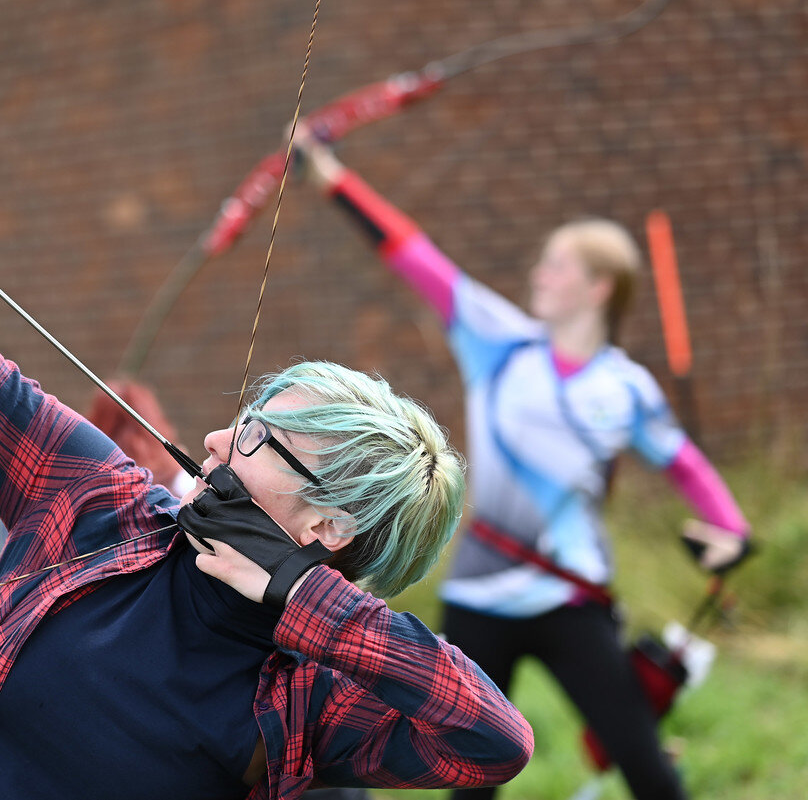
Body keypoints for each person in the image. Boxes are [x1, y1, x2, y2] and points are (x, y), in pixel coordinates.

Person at [0, 29, 534, 800]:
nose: (223, 438)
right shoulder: (95, 501)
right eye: (244, 414)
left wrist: (303, 598)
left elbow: (493, 740)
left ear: (325, 522)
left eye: (265, 439)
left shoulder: (304, 696)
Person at [290, 124, 751, 800]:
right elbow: (415, 255)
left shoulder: (625, 386)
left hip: (572, 598)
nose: (540, 272)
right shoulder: (498, 342)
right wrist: (332, 177)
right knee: (470, 779)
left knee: (647, 767)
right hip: (479, 596)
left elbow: (687, 466)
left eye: (558, 264)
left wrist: (731, 531)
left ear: (599, 287)